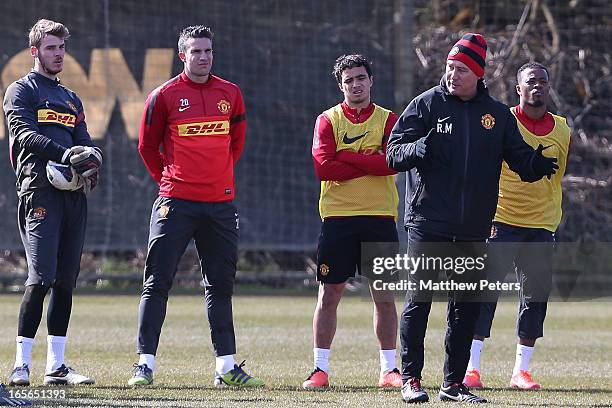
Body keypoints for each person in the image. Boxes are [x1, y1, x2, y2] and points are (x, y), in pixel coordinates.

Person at [386, 33, 559, 403]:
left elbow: (518, 155)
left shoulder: (495, 115)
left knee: (465, 305)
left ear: (478, 74)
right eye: (450, 67)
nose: (453, 74)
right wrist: (419, 147)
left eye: (461, 69)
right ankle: (411, 379)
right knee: (419, 300)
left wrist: (536, 165)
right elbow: (393, 153)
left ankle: (453, 384)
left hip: (474, 227)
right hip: (427, 222)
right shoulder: (426, 105)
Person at [129, 25, 263, 388]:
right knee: (156, 282)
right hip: (176, 202)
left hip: (219, 205)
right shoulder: (164, 95)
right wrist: (170, 182)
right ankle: (144, 365)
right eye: (196, 51)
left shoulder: (230, 93)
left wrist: (217, 179)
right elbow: (146, 146)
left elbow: (236, 144)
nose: (203, 57)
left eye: (208, 51)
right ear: (182, 55)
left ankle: (226, 367)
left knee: (219, 286)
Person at [3, 19, 101, 387]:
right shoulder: (20, 90)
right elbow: (25, 134)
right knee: (40, 278)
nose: (58, 54)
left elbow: (85, 140)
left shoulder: (71, 98)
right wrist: (68, 154)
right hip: (39, 192)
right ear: (34, 52)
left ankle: (56, 367)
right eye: (50, 48)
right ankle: (21, 365)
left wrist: (91, 159)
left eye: (61, 47)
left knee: (64, 282)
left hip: (73, 196)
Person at [463, 62, 570, 391]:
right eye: (530, 82)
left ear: (549, 88)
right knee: (484, 294)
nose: (537, 86)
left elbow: (558, 175)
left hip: (541, 225)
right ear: (518, 89)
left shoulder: (563, 129)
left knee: (535, 297)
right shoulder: (501, 121)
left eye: (542, 81)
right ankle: (472, 368)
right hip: (500, 221)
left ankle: (520, 371)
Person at [303, 54, 402, 389]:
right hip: (338, 219)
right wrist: (366, 160)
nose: (356, 85)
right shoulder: (327, 120)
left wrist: (345, 157)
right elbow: (323, 168)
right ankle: (319, 370)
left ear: (371, 81)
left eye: (361, 78)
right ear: (340, 85)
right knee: (329, 295)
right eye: (349, 80)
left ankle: (389, 370)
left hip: (380, 217)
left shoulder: (389, 120)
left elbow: (391, 162)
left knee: (384, 297)